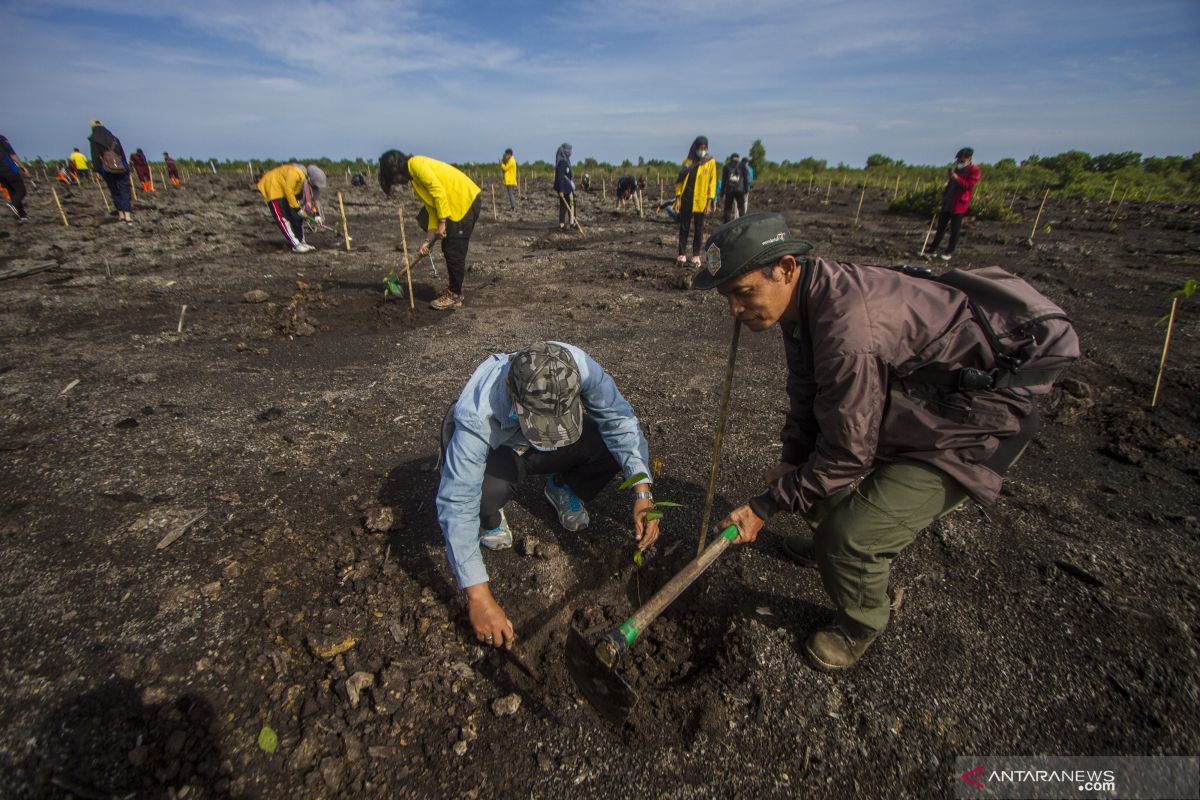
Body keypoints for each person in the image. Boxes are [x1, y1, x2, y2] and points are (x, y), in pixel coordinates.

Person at [692, 212, 1074, 671]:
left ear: (787, 267)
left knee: (852, 538)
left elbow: (848, 454)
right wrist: (792, 462)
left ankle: (861, 623)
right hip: (916, 404)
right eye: (727, 297)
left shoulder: (848, 327)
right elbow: (807, 393)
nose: (734, 309)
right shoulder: (803, 304)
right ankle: (830, 550)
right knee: (805, 477)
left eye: (743, 292)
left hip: (970, 430)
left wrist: (766, 506)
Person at [437, 341, 660, 649]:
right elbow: (456, 501)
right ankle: (489, 517)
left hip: (535, 444)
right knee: (479, 499)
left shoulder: (578, 366)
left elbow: (619, 420)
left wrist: (642, 490)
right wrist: (479, 597)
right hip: (501, 449)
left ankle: (562, 487)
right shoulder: (478, 414)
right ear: (509, 388)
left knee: (609, 446)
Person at [378, 149, 482, 310]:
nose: (398, 184)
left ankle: (454, 295)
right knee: (448, 245)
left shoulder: (417, 165)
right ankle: (455, 292)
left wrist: (442, 222)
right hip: (453, 204)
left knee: (454, 248)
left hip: (463, 201)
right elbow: (432, 207)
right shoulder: (414, 178)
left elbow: (438, 192)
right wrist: (428, 240)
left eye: (395, 180)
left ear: (397, 171)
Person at [925, 147, 980, 261]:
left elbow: (968, 186)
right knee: (940, 227)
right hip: (948, 201)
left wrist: (956, 178)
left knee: (955, 229)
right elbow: (950, 184)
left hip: (959, 203)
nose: (959, 162)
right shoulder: (956, 169)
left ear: (969, 159)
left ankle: (949, 251)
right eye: (958, 160)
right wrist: (944, 195)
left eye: (961, 160)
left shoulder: (974, 170)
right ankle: (933, 249)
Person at [673, 136, 717, 266]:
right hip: (686, 199)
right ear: (695, 148)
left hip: (701, 201)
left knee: (699, 229)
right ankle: (681, 254)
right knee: (684, 227)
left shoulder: (710, 162)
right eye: (700, 148)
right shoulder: (688, 162)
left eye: (705, 148)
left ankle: (696, 255)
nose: (702, 151)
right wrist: (677, 199)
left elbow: (712, 183)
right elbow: (680, 182)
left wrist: (709, 202)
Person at [256, 163, 314, 253]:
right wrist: (297, 208)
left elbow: (298, 196)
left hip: (284, 190)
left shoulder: (303, 180)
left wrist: (303, 211)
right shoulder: (296, 174)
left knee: (296, 217)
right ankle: (296, 244)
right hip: (273, 189)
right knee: (282, 218)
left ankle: (302, 242)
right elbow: (289, 190)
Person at [88, 120, 132, 224]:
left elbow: (95, 157)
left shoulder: (94, 139)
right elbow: (122, 155)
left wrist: (97, 171)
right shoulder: (114, 139)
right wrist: (126, 169)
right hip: (122, 169)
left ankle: (121, 215)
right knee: (125, 191)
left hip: (107, 170)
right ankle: (128, 217)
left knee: (115, 191)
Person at [0, 134, 31, 221]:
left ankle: (22, 215)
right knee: (22, 191)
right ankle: (11, 206)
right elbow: (12, 154)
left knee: (12, 192)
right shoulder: (2, 138)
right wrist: (23, 167)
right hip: (8, 169)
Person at [722, 153, 749, 222]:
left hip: (729, 190)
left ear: (731, 158)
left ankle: (726, 225)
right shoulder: (742, 166)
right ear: (738, 158)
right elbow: (746, 179)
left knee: (728, 209)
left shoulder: (726, 166)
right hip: (740, 189)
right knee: (741, 208)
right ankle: (743, 224)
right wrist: (746, 190)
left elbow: (724, 180)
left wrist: (722, 192)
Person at [554, 143, 575, 231]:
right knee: (568, 205)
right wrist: (561, 190)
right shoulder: (562, 162)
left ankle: (569, 223)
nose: (570, 152)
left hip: (567, 188)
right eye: (568, 150)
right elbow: (560, 177)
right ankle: (566, 224)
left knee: (569, 205)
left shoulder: (565, 160)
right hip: (565, 189)